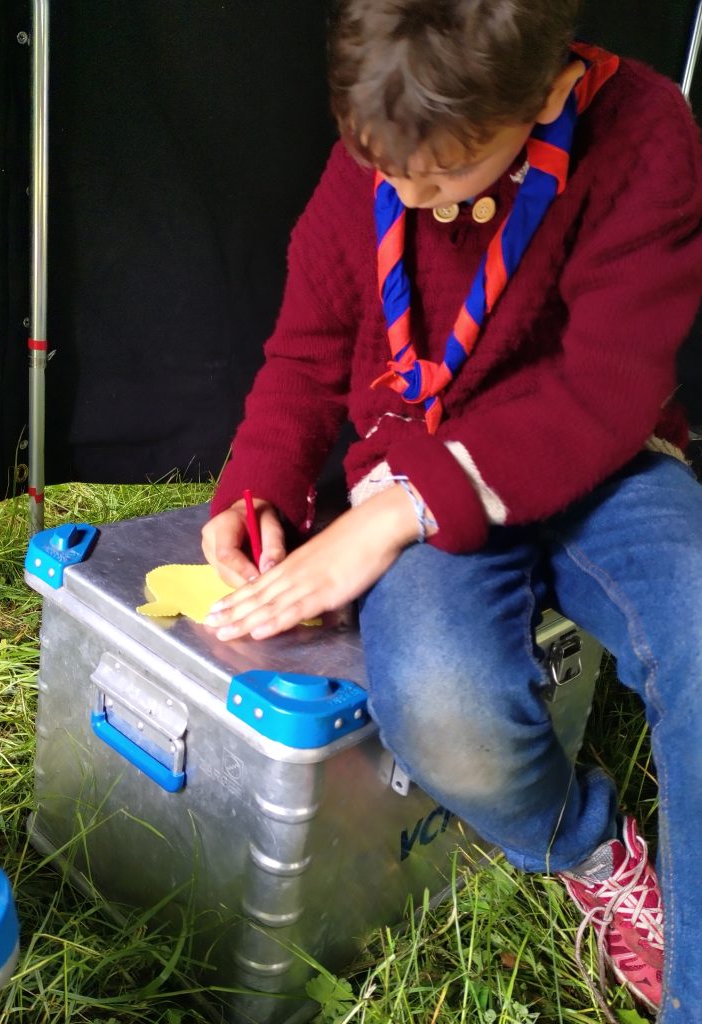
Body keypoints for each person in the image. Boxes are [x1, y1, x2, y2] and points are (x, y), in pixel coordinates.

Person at [200, 1, 702, 1019]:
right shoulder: (391, 149)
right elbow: (305, 350)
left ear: (548, 94)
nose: (407, 192)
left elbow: (602, 390)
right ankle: (587, 848)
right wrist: (258, 486)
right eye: (385, 167)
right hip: (417, 471)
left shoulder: (645, 129)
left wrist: (384, 519)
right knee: (441, 703)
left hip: (605, 466)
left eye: (442, 172)